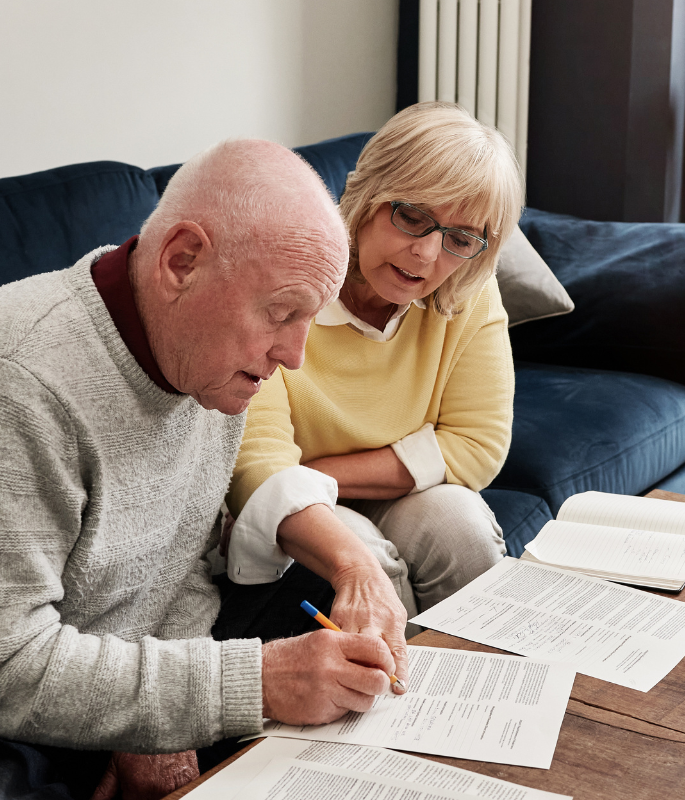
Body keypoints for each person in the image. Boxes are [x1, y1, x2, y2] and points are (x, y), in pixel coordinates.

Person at [0, 139, 411, 800]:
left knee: (315, 615)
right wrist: (253, 683)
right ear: (182, 261)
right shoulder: (6, 385)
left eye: (308, 320)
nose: (293, 355)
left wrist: (167, 726)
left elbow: (178, 568)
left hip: (91, 651)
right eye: (282, 313)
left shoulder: (210, 363)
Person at [224, 102, 524, 621]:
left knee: (462, 526)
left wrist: (315, 473)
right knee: (366, 558)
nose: (427, 255)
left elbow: (477, 446)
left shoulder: (466, 289)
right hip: (292, 506)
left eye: (459, 239)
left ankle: (480, 671)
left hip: (344, 484)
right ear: (366, 197)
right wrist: (309, 484)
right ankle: (401, 675)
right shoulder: (282, 280)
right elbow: (259, 464)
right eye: (412, 218)